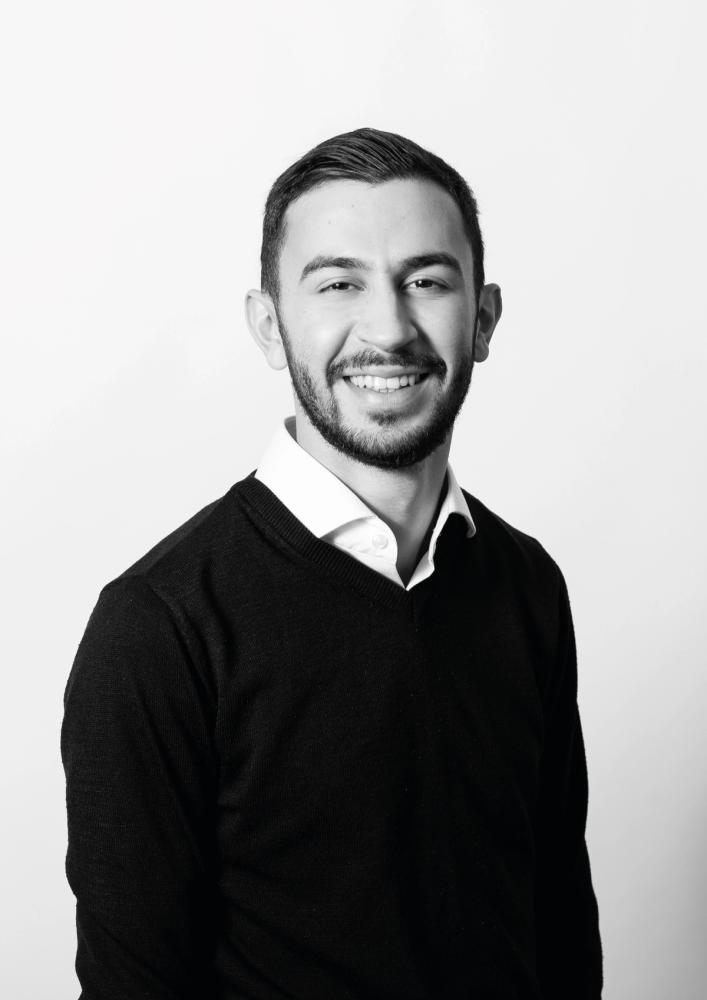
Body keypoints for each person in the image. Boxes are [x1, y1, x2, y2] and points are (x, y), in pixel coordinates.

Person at [61, 127, 603, 999]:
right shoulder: (161, 626)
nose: (387, 327)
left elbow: (561, 933)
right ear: (269, 328)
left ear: (484, 319)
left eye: (426, 281)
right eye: (338, 283)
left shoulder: (525, 584)